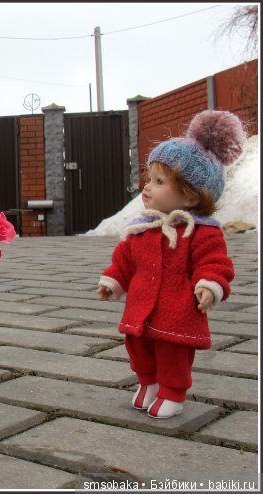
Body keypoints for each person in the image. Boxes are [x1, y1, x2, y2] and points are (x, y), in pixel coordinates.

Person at [97, 110, 244, 419]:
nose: (147, 187)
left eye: (159, 181)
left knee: (172, 353)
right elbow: (125, 258)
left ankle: (172, 392)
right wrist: (113, 280)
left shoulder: (201, 232)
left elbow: (215, 263)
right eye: (149, 178)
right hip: (141, 307)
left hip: (176, 312)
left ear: (191, 197)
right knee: (138, 346)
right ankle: (147, 383)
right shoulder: (143, 227)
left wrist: (209, 285)